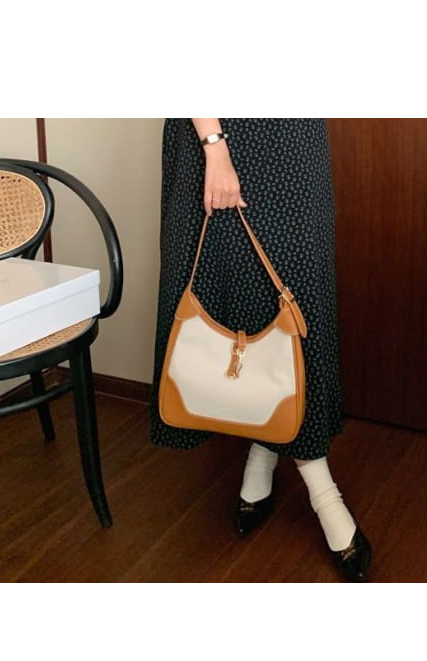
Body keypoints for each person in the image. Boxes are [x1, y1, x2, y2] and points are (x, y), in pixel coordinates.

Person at [150, 118, 371, 581]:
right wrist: (214, 147)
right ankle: (321, 488)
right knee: (233, 300)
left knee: (295, 303)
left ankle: (264, 448)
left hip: (293, 140)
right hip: (221, 140)